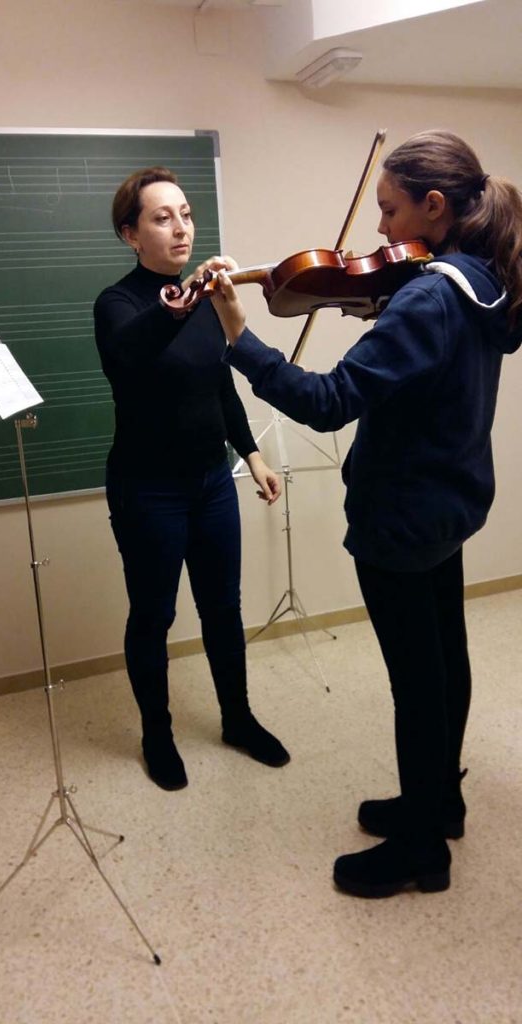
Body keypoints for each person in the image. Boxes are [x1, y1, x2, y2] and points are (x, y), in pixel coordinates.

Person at [209, 130, 522, 897]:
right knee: (445, 657)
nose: (379, 230)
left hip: (402, 517)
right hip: (450, 502)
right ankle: (438, 803)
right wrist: (383, 323)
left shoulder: (426, 296)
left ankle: (421, 852)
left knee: (416, 683)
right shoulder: (478, 280)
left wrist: (239, 337)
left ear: (435, 205)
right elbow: (427, 360)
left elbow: (327, 403)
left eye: (389, 211)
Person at [93, 166, 290, 792]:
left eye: (185, 213)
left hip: (210, 484)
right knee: (152, 614)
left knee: (222, 610)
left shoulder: (202, 302)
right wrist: (174, 308)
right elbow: (129, 355)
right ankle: (157, 734)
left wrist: (251, 453)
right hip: (147, 490)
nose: (180, 227)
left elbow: (219, 382)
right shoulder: (119, 304)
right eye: (161, 217)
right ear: (131, 234)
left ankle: (237, 719)